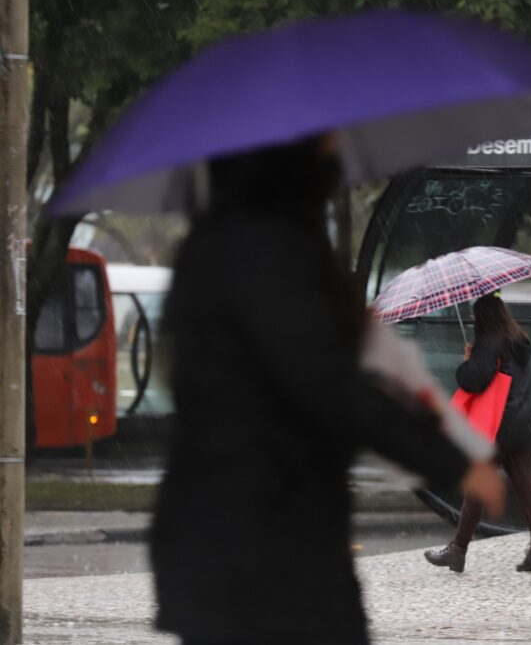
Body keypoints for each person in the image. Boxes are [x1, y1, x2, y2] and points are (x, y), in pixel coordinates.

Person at [150, 134, 504, 645]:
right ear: (287, 164)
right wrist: (452, 461)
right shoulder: (273, 251)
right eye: (322, 149)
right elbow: (330, 387)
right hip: (271, 536)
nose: (336, 156)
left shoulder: (210, 249)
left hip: (214, 533)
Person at [424, 293, 531, 573]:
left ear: (483, 318)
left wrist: (467, 361)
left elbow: (473, 381)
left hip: (498, 426)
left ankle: (457, 551)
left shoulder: (490, 343)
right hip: (523, 425)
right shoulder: (521, 343)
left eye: (475, 315)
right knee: (525, 486)